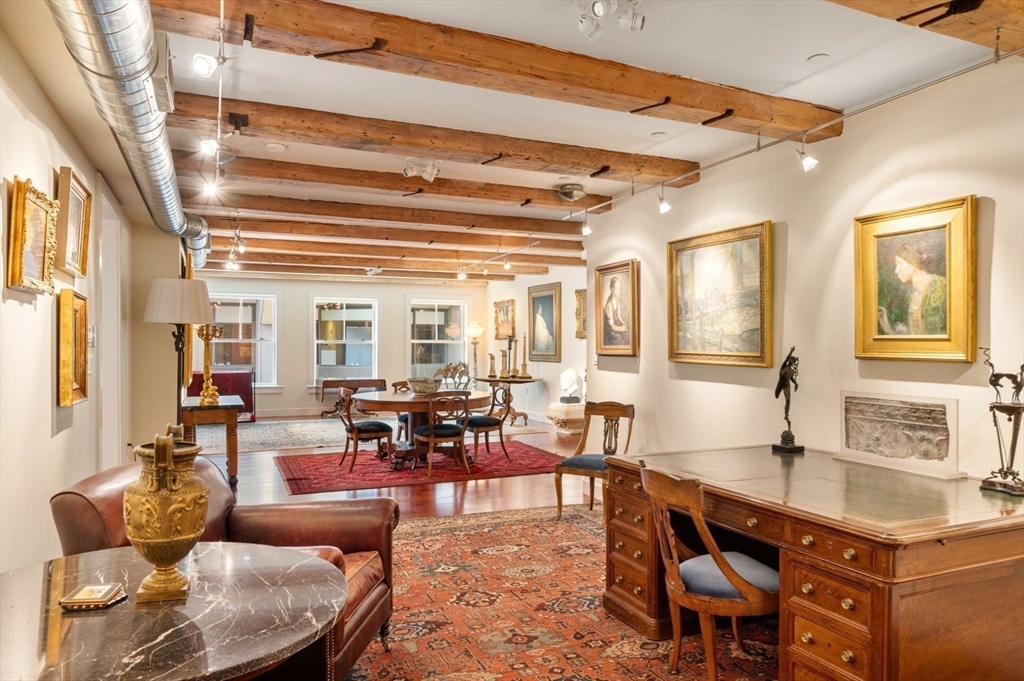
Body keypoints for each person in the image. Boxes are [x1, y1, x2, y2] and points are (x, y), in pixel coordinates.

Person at [878, 243, 947, 336]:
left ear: (913, 262)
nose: (896, 270)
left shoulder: (938, 289)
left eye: (899, 264)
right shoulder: (912, 295)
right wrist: (887, 329)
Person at [603, 276, 628, 345]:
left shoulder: (617, 302)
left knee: (627, 337)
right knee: (621, 341)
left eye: (619, 289)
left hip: (616, 329)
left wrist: (623, 323)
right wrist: (623, 329)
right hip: (611, 334)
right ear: (611, 289)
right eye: (616, 289)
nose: (618, 292)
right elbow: (612, 327)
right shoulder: (609, 306)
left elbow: (619, 316)